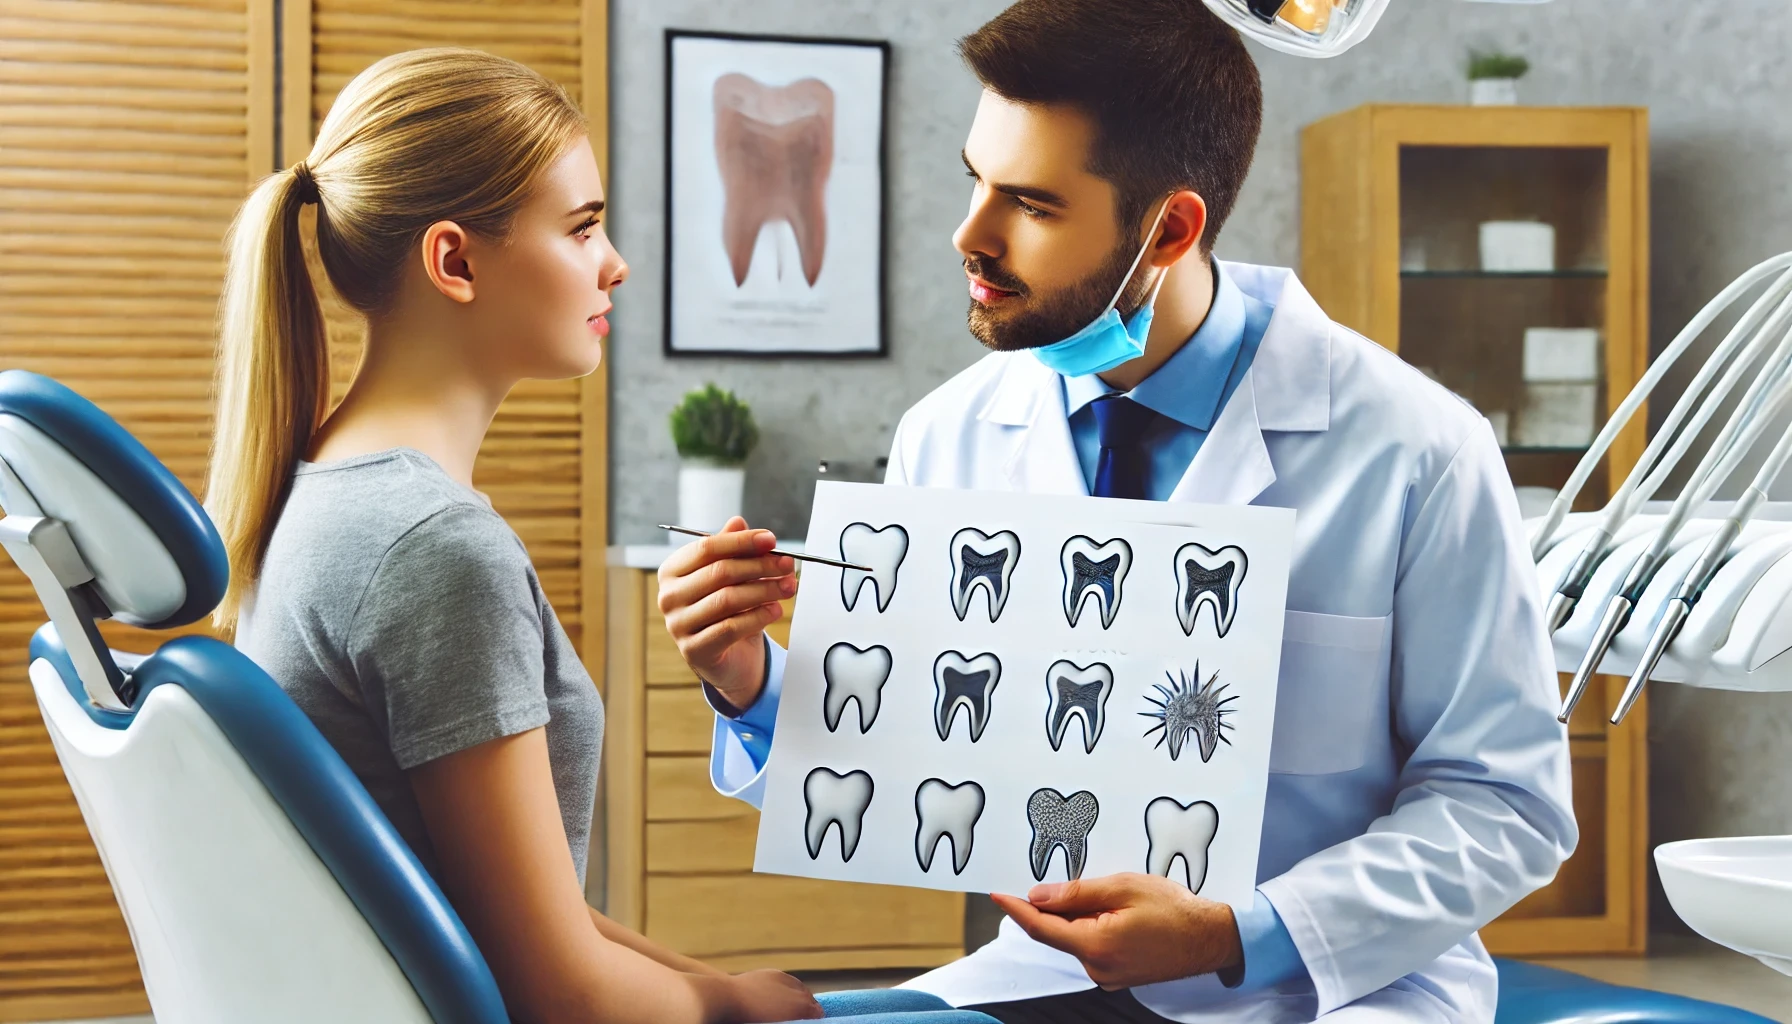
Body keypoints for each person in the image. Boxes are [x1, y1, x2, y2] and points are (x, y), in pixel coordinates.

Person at [657, 2, 1578, 1022]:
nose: (970, 236)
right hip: (1045, 975)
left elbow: (1506, 806)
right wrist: (748, 682)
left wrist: (1237, 933)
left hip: (1329, 990)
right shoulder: (949, 436)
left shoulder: (1418, 452)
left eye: (1031, 205)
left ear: (1170, 229)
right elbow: (910, 750)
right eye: (975, 180)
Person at [208, 46, 995, 1024]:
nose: (614, 262)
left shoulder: (322, 491)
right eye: (581, 229)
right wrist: (734, 1011)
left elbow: (521, 920)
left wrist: (716, 984)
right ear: (455, 261)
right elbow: (560, 990)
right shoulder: (433, 548)